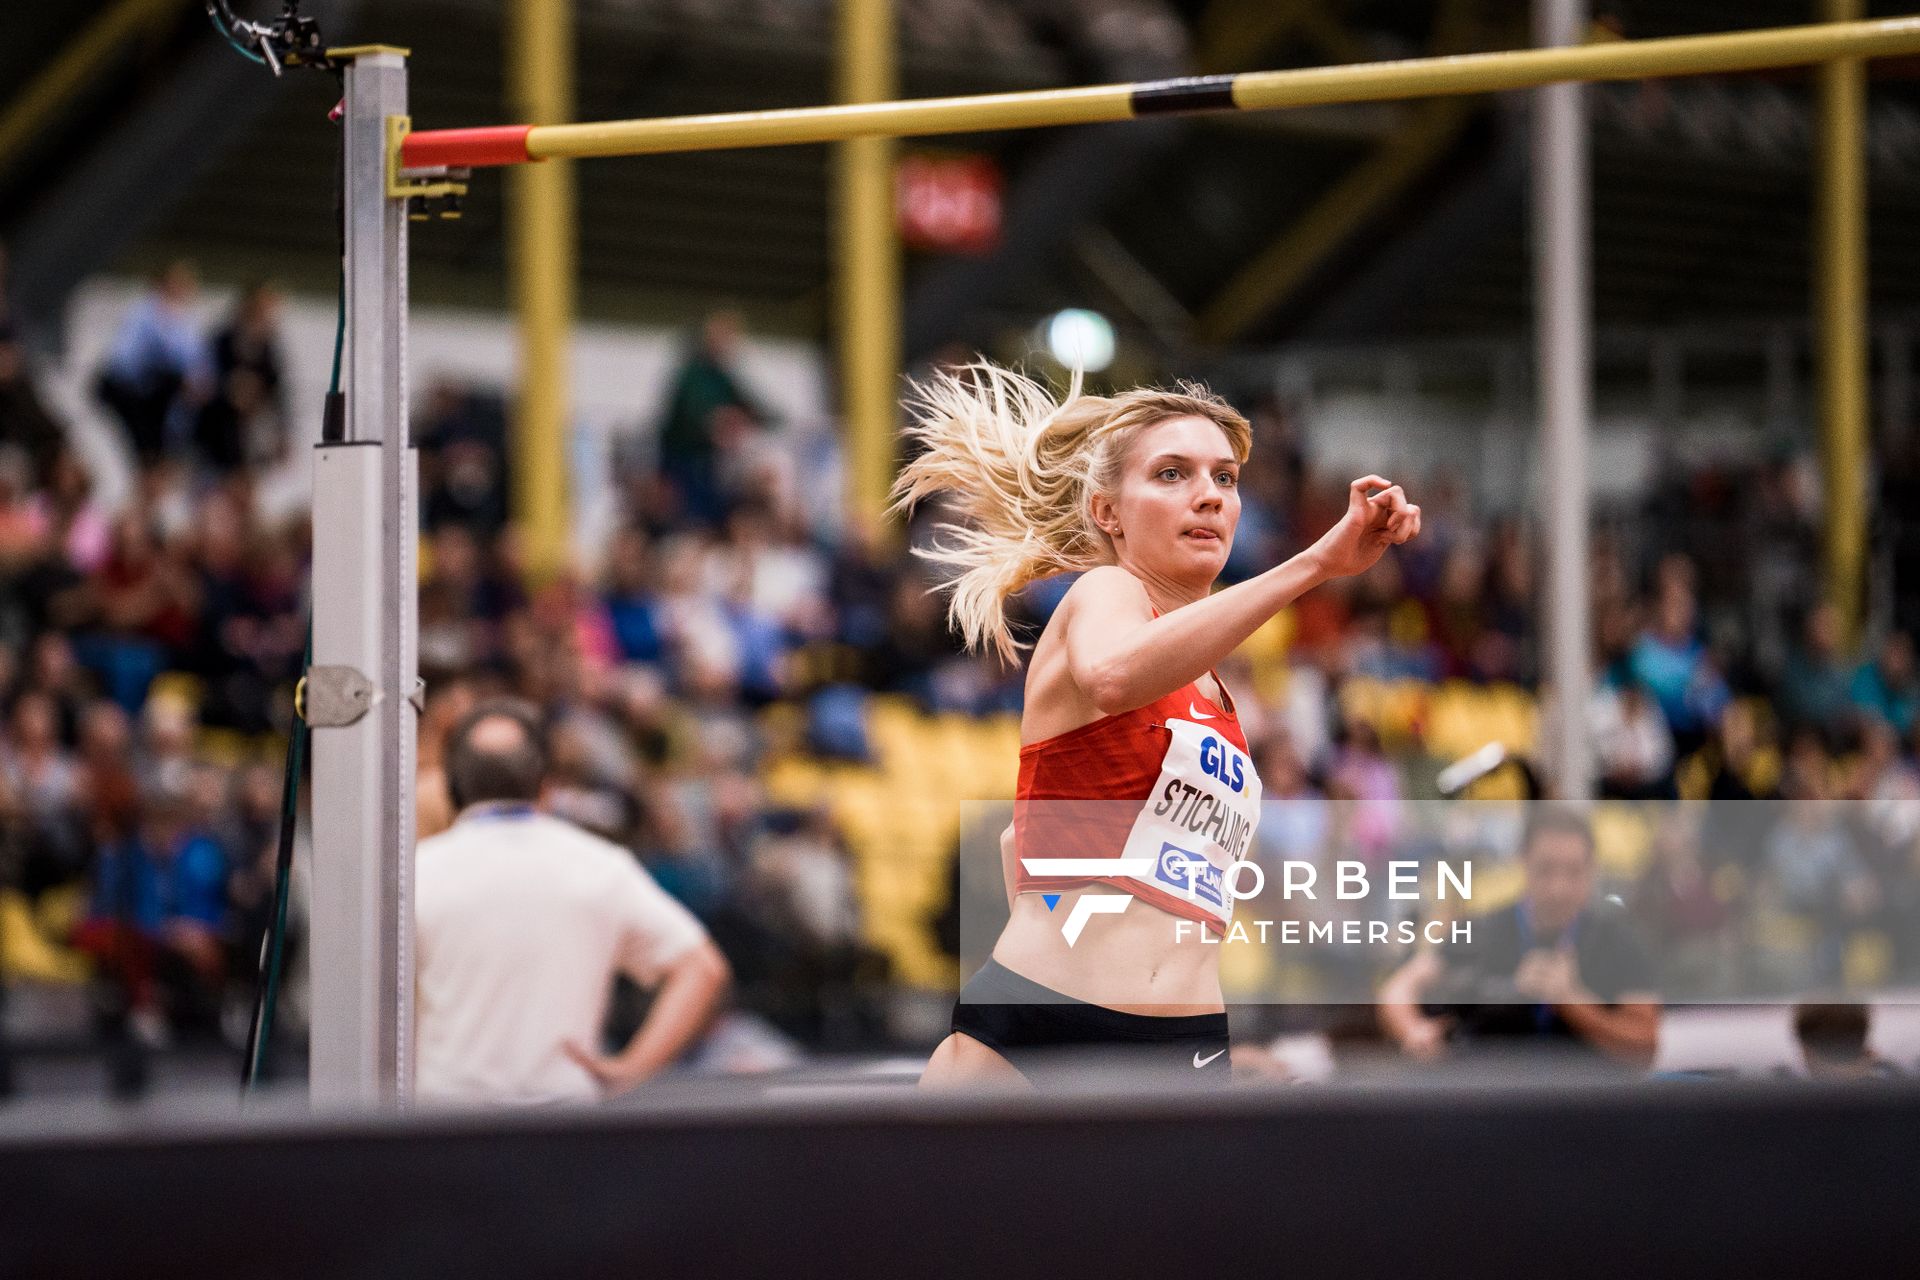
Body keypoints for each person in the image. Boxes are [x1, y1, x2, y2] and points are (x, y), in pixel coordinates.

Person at [903, 363, 1421, 1089]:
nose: (1208, 494)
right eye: (1173, 474)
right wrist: (1313, 566)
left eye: (1226, 478)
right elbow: (1115, 677)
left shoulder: (1218, 690)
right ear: (1108, 511)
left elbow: (1024, 839)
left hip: (1188, 1042)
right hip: (1047, 1024)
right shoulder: (1104, 592)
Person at [413, 699, 731, 1104]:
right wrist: (630, 1070)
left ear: (452, 787)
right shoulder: (600, 868)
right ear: (547, 784)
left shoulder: (416, 873)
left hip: (444, 1128)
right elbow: (702, 969)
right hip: (564, 1129)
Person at [1378, 805, 1661, 1072]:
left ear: (1591, 870)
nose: (1558, 889)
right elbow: (1399, 988)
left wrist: (1572, 1001)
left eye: (1573, 872)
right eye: (1546, 869)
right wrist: (1414, 1030)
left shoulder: (1620, 940)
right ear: (1523, 862)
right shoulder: (1483, 930)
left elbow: (1645, 1045)